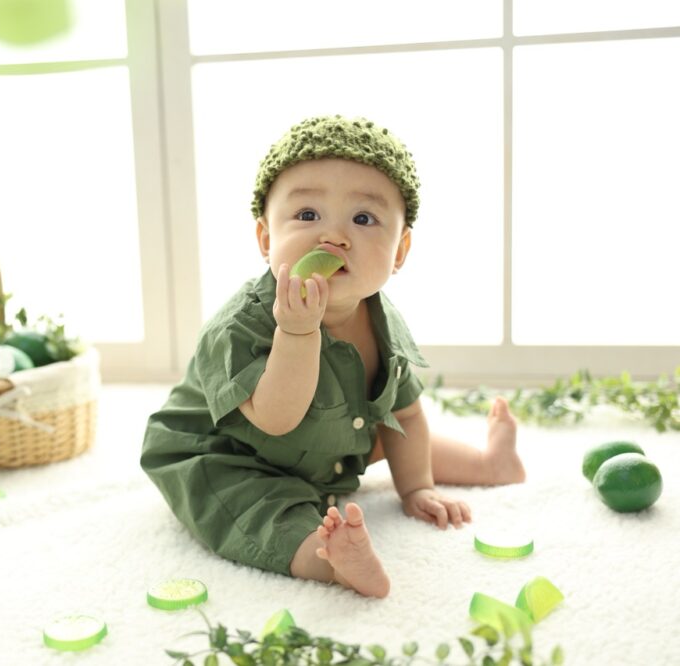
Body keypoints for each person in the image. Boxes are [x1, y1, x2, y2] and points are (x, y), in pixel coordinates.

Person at [140, 115, 526, 598]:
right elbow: (276, 419)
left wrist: (417, 489)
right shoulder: (240, 326)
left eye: (363, 219)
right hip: (232, 452)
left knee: (386, 432)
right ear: (266, 238)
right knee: (244, 505)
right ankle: (327, 560)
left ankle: (488, 464)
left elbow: (405, 413)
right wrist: (297, 332)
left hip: (328, 440)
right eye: (307, 215)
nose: (335, 237)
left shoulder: (380, 319)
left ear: (400, 250)